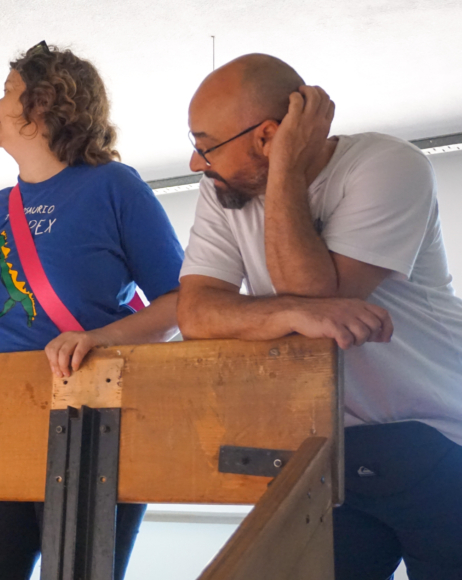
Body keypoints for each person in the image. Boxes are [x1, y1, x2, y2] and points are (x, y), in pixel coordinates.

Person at [0, 43, 184, 580]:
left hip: (90, 428)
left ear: (46, 102)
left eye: (8, 92)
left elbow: (181, 302)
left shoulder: (114, 186)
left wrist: (101, 339)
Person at [178, 53, 462, 579]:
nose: (197, 163)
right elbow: (195, 312)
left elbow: (319, 296)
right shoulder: (223, 192)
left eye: (205, 145)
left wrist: (285, 167)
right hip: (328, 451)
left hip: (442, 442)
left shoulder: (388, 164)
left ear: (268, 137)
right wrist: (289, 312)